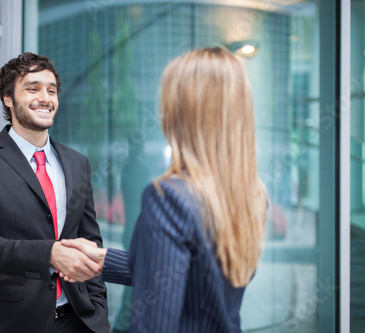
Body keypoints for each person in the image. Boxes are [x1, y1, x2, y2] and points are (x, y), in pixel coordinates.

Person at [60, 47, 268, 332]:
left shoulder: (169, 197)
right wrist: (102, 259)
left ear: (183, 113)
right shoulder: (252, 194)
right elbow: (188, 276)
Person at [0, 52, 109, 333]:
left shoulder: (77, 163)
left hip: (78, 319)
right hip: (12, 322)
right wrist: (49, 253)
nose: (45, 98)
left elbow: (90, 240)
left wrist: (98, 312)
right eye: (32, 88)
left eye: (51, 90)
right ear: (8, 98)